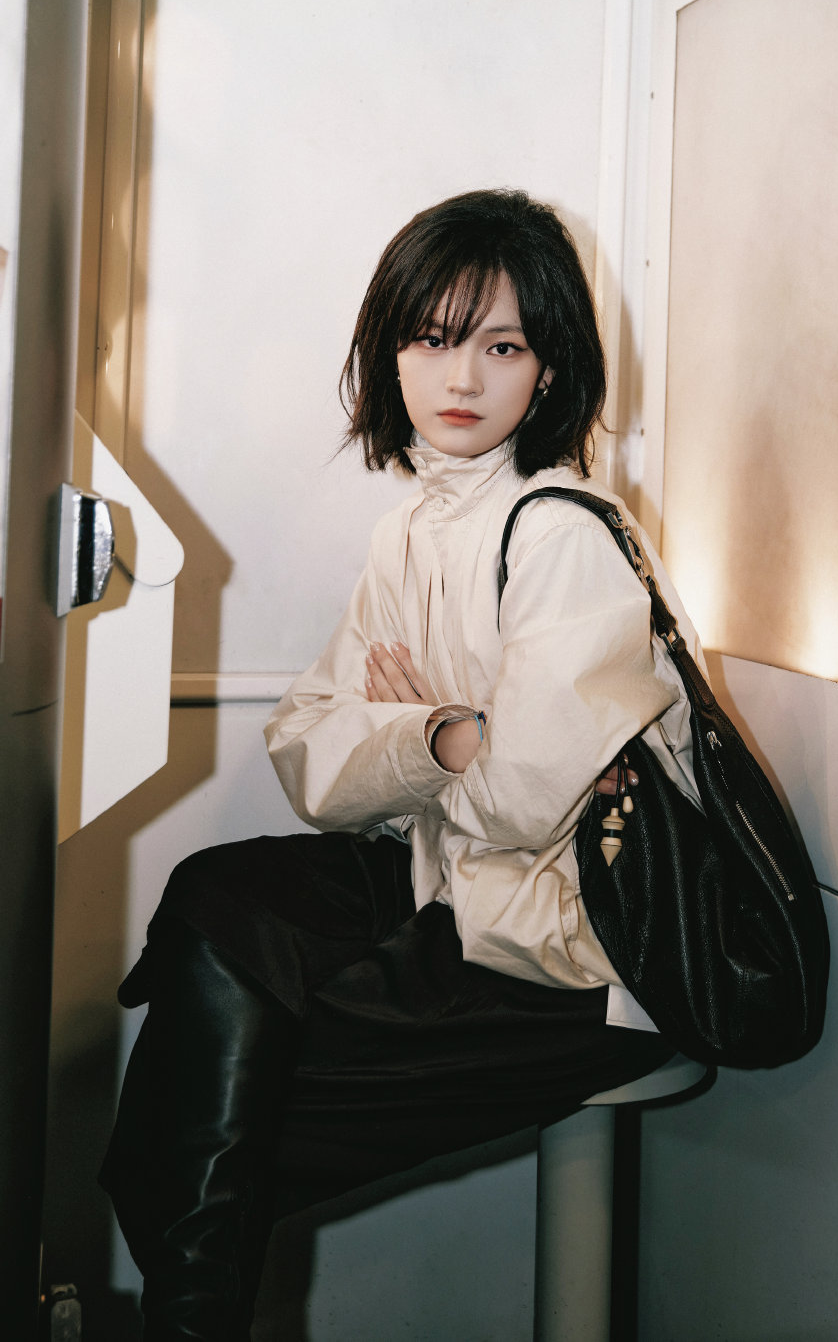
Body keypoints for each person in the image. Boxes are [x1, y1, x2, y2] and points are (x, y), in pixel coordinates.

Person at [101, 188, 709, 1341]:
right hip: (450, 883)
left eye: (502, 347)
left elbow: (524, 806)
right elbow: (308, 758)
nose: (462, 378)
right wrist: (445, 732)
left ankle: (188, 1310)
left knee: (230, 1084)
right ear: (391, 353)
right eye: (433, 339)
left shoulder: (564, 533)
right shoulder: (410, 531)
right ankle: (195, 1307)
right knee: (218, 895)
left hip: (571, 952)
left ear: (549, 367)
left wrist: (410, 739)